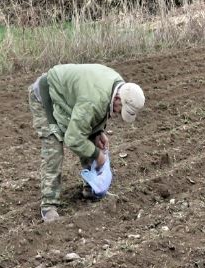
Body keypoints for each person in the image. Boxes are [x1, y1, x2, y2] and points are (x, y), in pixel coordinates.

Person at [27, 64, 145, 222]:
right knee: (54, 149)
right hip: (45, 96)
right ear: (118, 98)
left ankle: (91, 188)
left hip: (68, 99)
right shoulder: (93, 101)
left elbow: (94, 113)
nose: (117, 114)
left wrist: (98, 131)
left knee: (90, 139)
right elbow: (73, 139)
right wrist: (98, 156)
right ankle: (48, 205)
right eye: (119, 109)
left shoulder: (118, 86)